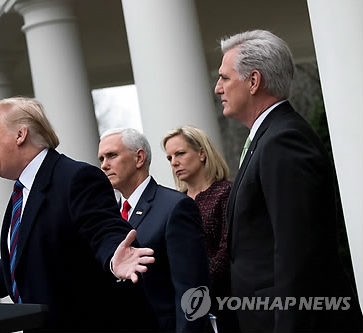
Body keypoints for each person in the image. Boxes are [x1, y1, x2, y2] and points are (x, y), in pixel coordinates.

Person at [214, 29, 363, 332]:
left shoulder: (284, 140)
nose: (218, 88)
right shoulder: (268, 138)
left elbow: (297, 252)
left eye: (225, 78)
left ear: (253, 81)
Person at [0, 97, 156, 331]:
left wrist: (115, 254)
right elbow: (39, 253)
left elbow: (104, 229)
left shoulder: (77, 178)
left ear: (20, 135)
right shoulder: (23, 194)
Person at [98, 128, 210, 332]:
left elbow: (192, 291)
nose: (104, 165)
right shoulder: (107, 216)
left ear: (139, 157)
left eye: (112, 155)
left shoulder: (175, 207)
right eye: (101, 158)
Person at [163, 125, 238, 332]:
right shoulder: (173, 202)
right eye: (169, 158)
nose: (174, 162)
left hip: (225, 305)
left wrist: (193, 285)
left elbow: (228, 250)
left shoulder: (226, 193)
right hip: (185, 308)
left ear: (202, 153)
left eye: (180, 153)